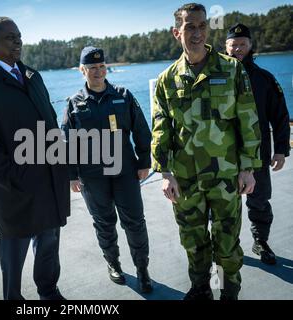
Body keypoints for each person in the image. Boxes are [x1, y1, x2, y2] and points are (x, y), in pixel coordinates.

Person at [151, 3, 262, 300]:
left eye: (202, 26)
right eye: (190, 27)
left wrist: (248, 168)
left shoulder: (232, 68)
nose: (197, 32)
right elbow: (161, 128)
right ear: (177, 32)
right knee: (193, 240)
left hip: (226, 175)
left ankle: (228, 290)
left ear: (208, 29)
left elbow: (247, 120)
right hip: (186, 179)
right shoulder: (166, 80)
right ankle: (200, 288)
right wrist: (165, 171)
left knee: (226, 242)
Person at [0, 17, 70, 300]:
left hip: (49, 182)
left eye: (19, 36)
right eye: (9, 37)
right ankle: (13, 297)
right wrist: (15, 177)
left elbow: (51, 123)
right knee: (14, 250)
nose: (17, 41)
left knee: (49, 243)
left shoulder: (33, 76)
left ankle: (48, 290)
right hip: (15, 190)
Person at [62, 47, 153, 293]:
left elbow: (141, 129)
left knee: (135, 222)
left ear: (106, 68)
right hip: (92, 176)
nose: (98, 72)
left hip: (125, 170)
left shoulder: (123, 95)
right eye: (92, 68)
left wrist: (144, 161)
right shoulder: (74, 103)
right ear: (82, 71)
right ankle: (113, 265)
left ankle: (143, 270)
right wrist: (71, 175)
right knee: (104, 223)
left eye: (101, 66)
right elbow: (67, 142)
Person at [225, 23, 291, 265]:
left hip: (257, 154)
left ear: (250, 45)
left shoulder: (264, 79)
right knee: (223, 205)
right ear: (226, 47)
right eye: (233, 45)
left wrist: (281, 150)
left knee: (259, 201)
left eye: (243, 44)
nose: (238, 49)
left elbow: (281, 116)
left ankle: (260, 242)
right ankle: (226, 245)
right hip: (223, 155)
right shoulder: (215, 77)